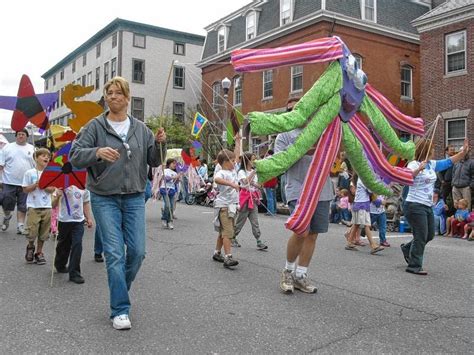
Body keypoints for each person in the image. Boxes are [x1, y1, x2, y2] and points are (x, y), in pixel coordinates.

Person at [69, 76, 167, 330]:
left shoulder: (141, 129)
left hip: (134, 196)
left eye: (117, 93)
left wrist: (160, 143)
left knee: (137, 253)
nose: (112, 97)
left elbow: (154, 161)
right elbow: (75, 157)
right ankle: (120, 309)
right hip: (104, 197)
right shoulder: (94, 127)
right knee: (114, 253)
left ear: (127, 98)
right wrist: (97, 152)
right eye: (109, 93)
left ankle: (119, 288)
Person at [277, 98, 333, 294]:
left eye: (301, 108)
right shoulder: (283, 136)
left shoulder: (321, 130)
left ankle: (301, 275)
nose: (298, 112)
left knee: (313, 233)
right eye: (292, 109)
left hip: (322, 188)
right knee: (301, 230)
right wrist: (308, 147)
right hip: (298, 188)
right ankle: (287, 271)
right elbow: (281, 162)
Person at [401, 139, 469, 275]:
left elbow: (448, 162)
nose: (433, 151)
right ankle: (414, 266)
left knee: (429, 234)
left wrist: (462, 153)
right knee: (421, 235)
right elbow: (406, 178)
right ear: (426, 150)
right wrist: (417, 170)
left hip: (427, 205)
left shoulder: (431, 164)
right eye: (431, 149)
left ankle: (408, 248)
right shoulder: (413, 164)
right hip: (414, 205)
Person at [53, 185, 93, 284]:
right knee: (63, 244)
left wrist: (89, 218)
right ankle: (60, 264)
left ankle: (74, 273)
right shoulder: (61, 186)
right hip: (64, 221)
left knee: (77, 244)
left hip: (79, 222)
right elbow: (53, 205)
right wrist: (58, 196)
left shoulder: (83, 187)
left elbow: (86, 203)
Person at [21, 148, 55, 264]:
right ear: (36, 158)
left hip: (47, 207)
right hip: (33, 206)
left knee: (44, 232)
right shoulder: (29, 173)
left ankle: (39, 252)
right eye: (43, 155)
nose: (46, 157)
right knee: (32, 231)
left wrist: (44, 186)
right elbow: (25, 189)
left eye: (48, 156)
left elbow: (51, 190)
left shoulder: (50, 173)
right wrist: (34, 185)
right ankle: (30, 246)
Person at [0, 129, 35, 233]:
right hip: (9, 181)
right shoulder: (7, 147)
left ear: (26, 136)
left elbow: (35, 166)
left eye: (23, 134)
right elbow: (1, 165)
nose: (20, 136)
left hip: (25, 183)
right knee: (6, 202)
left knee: (23, 205)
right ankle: (7, 216)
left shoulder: (32, 148)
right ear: (16, 136)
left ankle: (20, 226)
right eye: (19, 134)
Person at [212, 149, 240, 268]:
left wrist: (238, 140)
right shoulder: (222, 172)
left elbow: (238, 155)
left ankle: (217, 253)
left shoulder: (233, 171)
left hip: (231, 206)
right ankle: (228, 257)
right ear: (225, 162)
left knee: (223, 232)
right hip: (224, 206)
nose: (235, 163)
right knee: (228, 233)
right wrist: (232, 184)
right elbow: (216, 180)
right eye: (232, 161)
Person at [233, 152, 267, 250]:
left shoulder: (253, 171)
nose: (254, 161)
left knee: (255, 221)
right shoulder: (241, 172)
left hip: (254, 198)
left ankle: (259, 241)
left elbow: (258, 185)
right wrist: (253, 174)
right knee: (240, 221)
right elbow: (244, 182)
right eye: (252, 159)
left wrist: (259, 183)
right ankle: (232, 237)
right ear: (247, 161)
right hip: (245, 198)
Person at [345, 177, 384, 254]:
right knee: (366, 224)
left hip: (359, 204)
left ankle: (349, 243)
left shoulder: (360, 179)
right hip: (362, 205)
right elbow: (370, 190)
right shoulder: (362, 179)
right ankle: (373, 245)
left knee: (356, 224)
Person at [160, 158, 180, 230]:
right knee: (167, 205)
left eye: (175, 164)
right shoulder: (165, 170)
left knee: (171, 207)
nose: (175, 165)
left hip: (172, 190)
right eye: (173, 163)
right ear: (169, 164)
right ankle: (164, 219)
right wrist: (174, 177)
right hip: (165, 189)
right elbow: (165, 178)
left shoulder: (175, 173)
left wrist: (178, 178)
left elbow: (176, 183)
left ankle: (169, 221)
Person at [262, 150, 277, 215]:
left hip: (268, 182)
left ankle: (270, 211)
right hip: (274, 181)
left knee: (269, 197)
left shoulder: (267, 162)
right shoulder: (275, 161)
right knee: (273, 197)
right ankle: (274, 210)